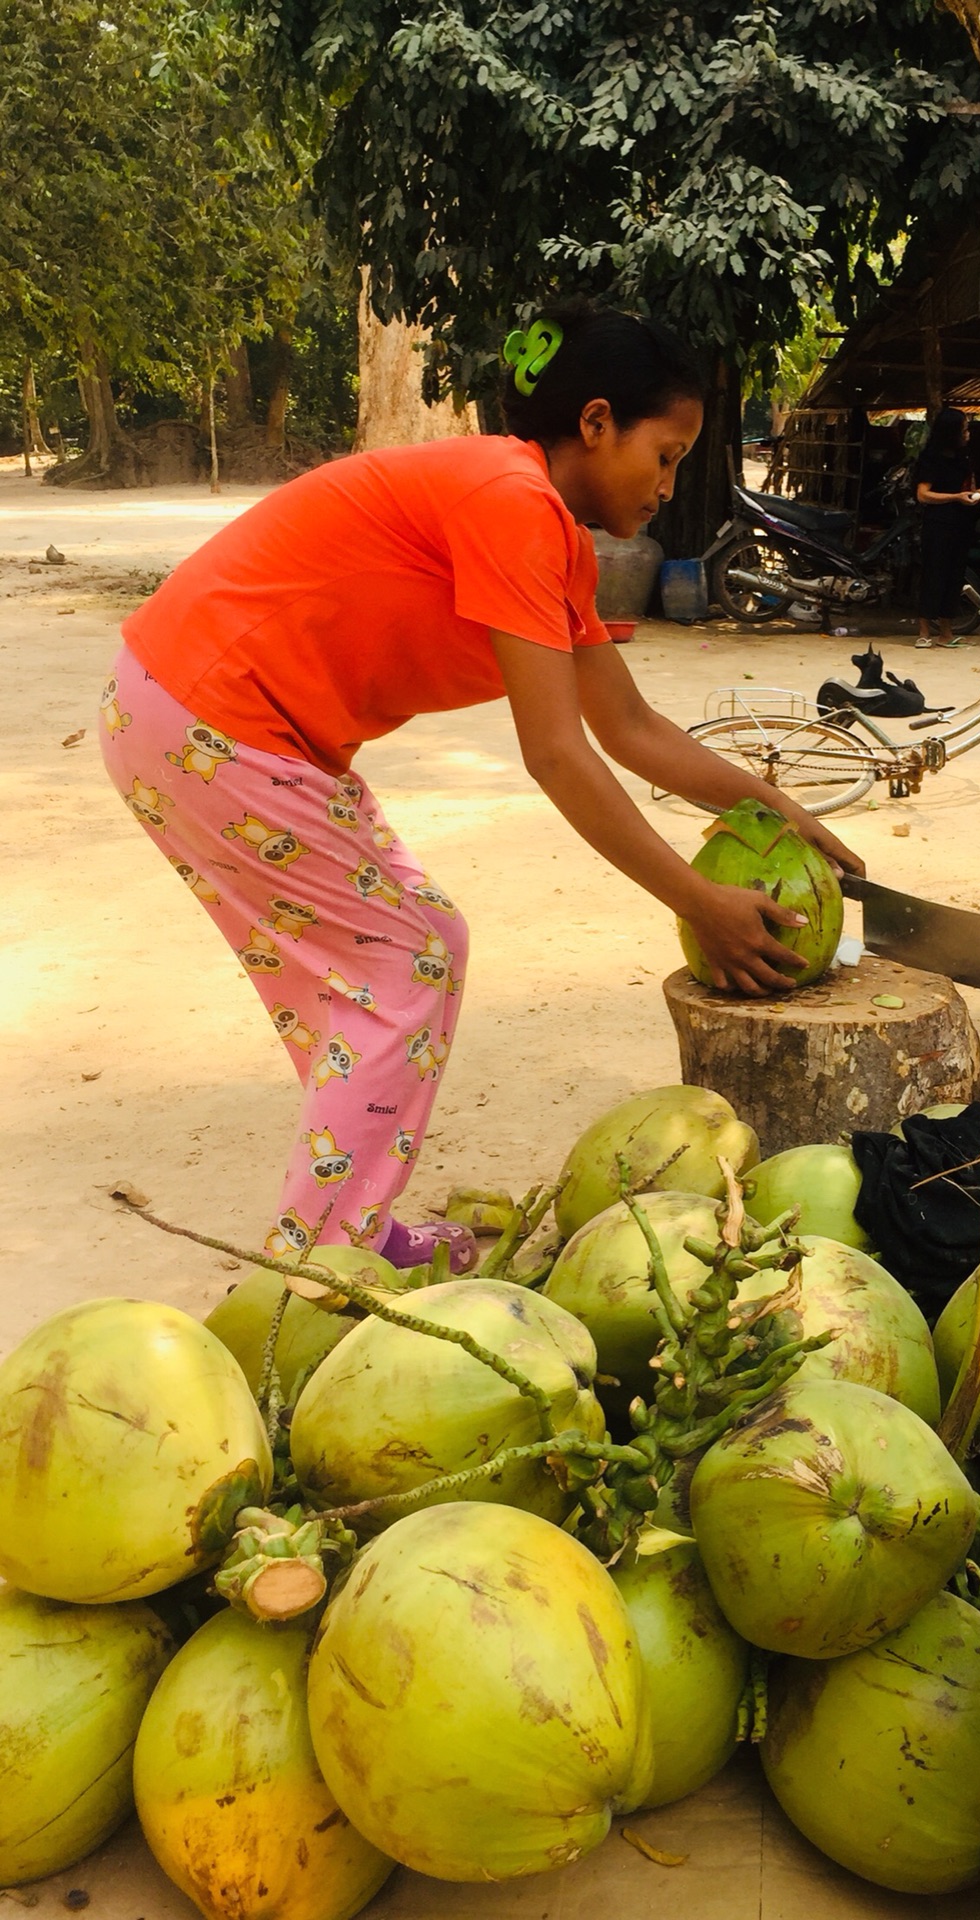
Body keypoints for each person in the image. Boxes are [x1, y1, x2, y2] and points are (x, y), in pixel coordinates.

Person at [99, 302, 862, 1272]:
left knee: (379, 981)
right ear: (594, 424)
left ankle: (355, 1233)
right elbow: (557, 753)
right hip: (212, 718)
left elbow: (627, 729)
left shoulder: (553, 541)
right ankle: (325, 1272)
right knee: (408, 961)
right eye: (663, 455)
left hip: (183, 713)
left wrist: (776, 808)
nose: (671, 485)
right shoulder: (510, 499)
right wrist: (697, 899)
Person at [912, 407, 980, 648]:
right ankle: (924, 631)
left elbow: (970, 485)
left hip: (960, 524)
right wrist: (955, 497)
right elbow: (923, 494)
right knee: (933, 574)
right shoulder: (931, 458)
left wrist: (977, 494)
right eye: (964, 429)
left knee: (954, 576)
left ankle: (946, 632)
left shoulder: (964, 457)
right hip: (937, 524)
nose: (967, 433)